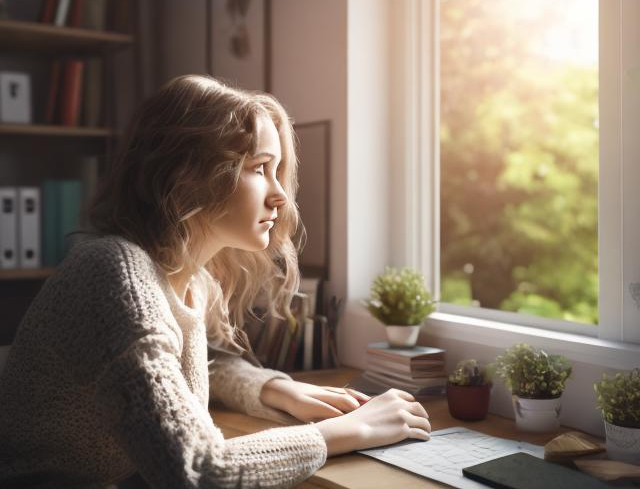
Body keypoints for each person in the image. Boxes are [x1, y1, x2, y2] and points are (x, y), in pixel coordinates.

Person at [0, 75, 431, 488]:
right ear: (187, 174)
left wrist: (276, 390)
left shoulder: (191, 279)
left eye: (278, 170)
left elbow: (187, 368)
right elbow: (196, 471)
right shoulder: (117, 272)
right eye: (261, 168)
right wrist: (348, 431)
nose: (280, 195)